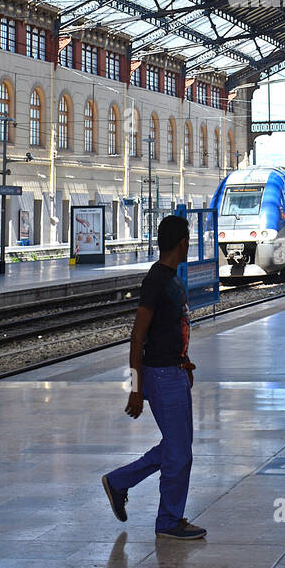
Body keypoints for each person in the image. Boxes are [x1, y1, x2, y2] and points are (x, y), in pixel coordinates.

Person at [102, 215, 204, 540]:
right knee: (180, 452)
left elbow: (171, 331)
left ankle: (119, 482)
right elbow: (137, 336)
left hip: (174, 372)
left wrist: (184, 361)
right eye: (189, 240)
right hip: (160, 376)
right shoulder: (157, 281)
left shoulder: (172, 279)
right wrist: (136, 389)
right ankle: (168, 521)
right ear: (182, 243)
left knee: (177, 447)